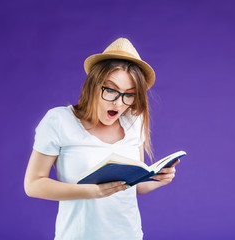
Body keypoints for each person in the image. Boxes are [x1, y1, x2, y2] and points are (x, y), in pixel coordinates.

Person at [24, 38, 180, 240]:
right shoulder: (58, 120)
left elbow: (133, 186)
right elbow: (33, 184)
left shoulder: (135, 121)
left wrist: (160, 178)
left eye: (129, 95)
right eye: (111, 90)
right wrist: (92, 192)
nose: (118, 102)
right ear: (93, 85)